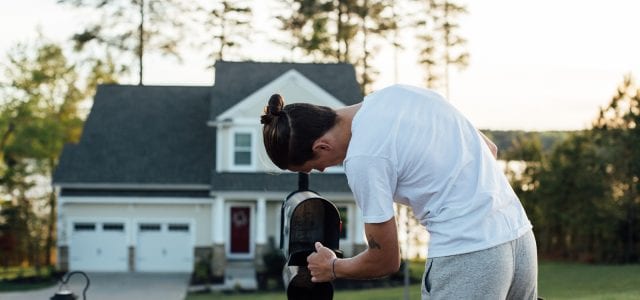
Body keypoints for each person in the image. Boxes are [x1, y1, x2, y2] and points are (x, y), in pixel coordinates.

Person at [260, 84, 538, 299]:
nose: (322, 171)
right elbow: (489, 148)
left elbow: (385, 260)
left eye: (315, 166)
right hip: (519, 237)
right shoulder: (398, 94)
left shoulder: (363, 158)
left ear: (321, 146)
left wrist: (332, 267)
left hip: (468, 254)